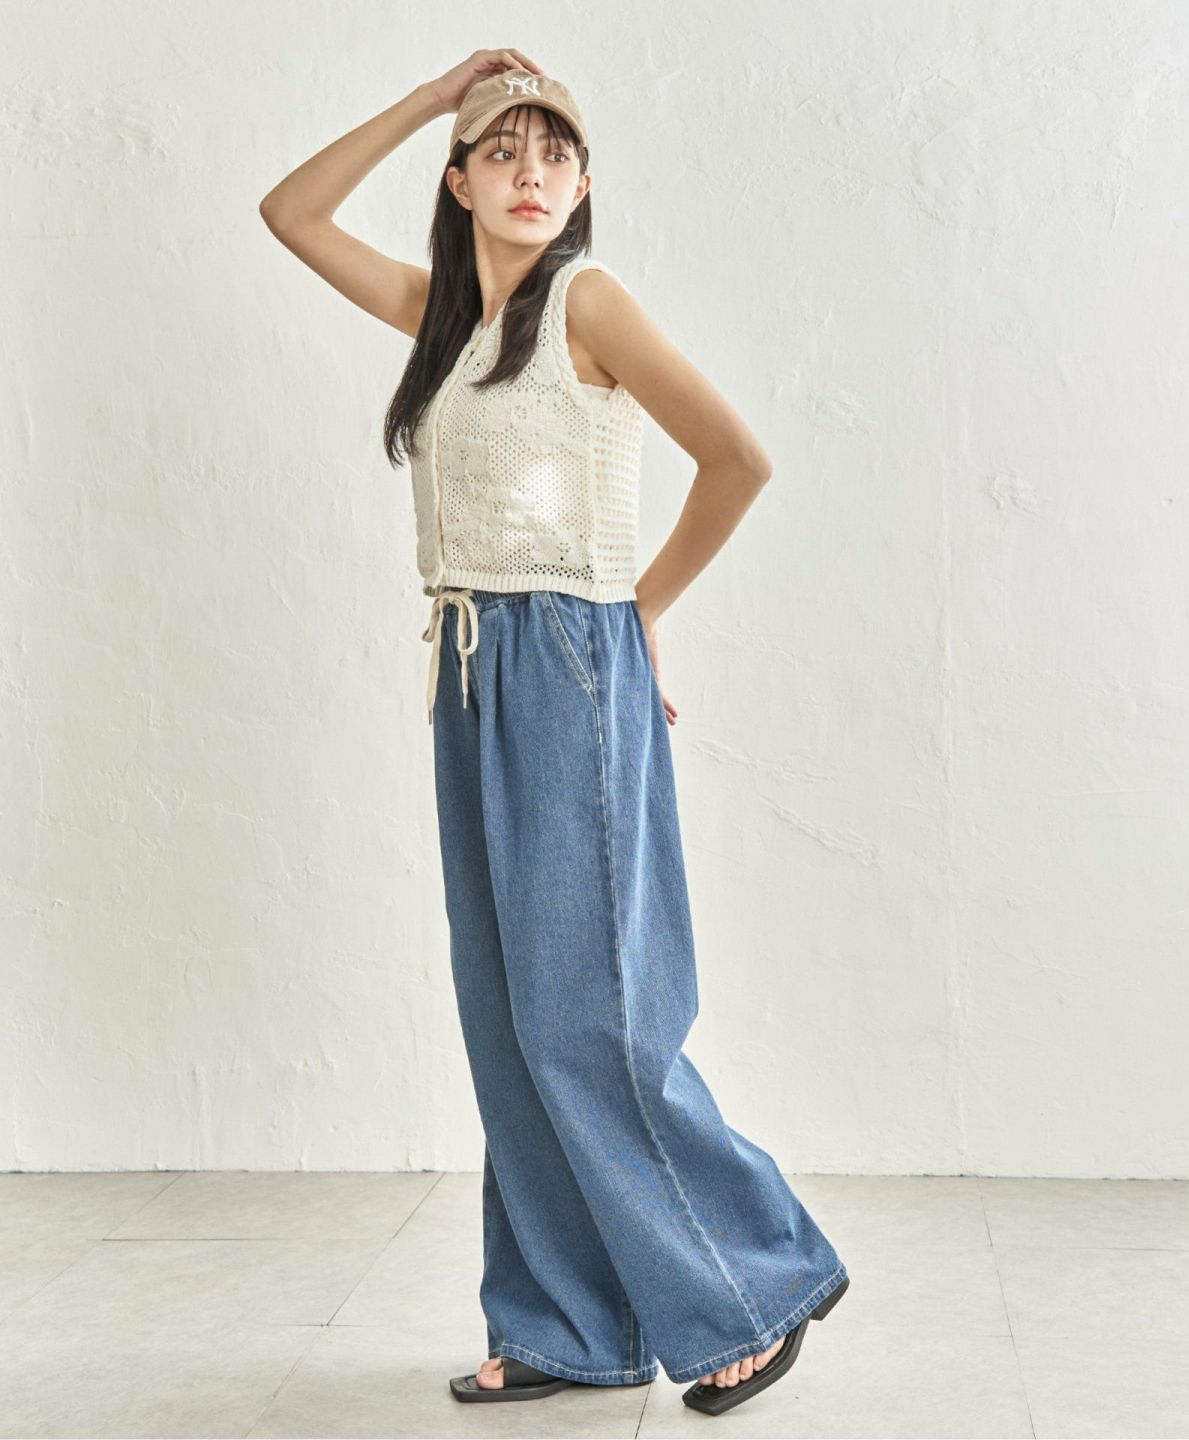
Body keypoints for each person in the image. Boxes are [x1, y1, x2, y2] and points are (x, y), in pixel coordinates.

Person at [259, 47, 849, 1417]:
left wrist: (634, 617)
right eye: (503, 151)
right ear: (459, 181)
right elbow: (290, 214)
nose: (533, 174)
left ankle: (753, 1285)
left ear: (584, 188)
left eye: (557, 155)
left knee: (591, 1014)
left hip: (569, 660)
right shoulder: (441, 319)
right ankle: (567, 1326)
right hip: (466, 666)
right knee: (509, 1018)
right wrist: (430, 98)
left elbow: (739, 460)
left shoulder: (589, 301)